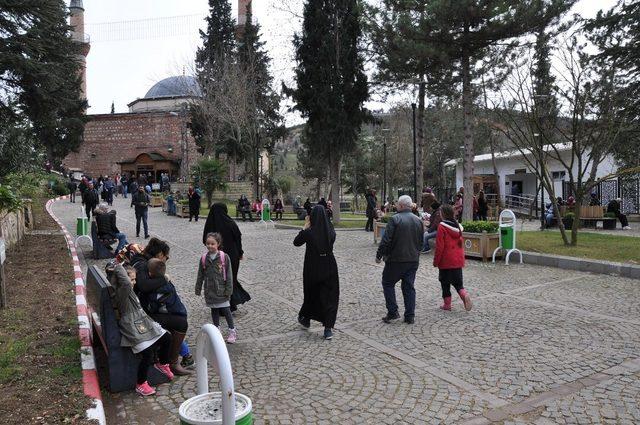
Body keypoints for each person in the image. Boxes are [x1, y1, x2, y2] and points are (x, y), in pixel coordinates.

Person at [106, 263, 173, 396]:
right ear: (122, 279)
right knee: (147, 353)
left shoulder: (128, 291)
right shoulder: (122, 292)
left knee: (167, 337)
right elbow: (125, 283)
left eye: (135, 279)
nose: (134, 282)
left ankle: (162, 363)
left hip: (141, 323)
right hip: (132, 327)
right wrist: (118, 267)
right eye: (131, 279)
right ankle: (141, 383)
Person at [131, 238, 191, 376]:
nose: (166, 259)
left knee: (176, 319)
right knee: (181, 323)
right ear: (159, 255)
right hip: (140, 315)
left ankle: (176, 357)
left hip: (140, 310)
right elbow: (144, 286)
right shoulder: (142, 264)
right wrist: (164, 279)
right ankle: (173, 363)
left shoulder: (140, 260)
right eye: (166, 256)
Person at [294, 205, 339, 340]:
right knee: (329, 296)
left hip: (313, 266)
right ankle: (328, 328)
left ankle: (306, 318)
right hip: (329, 264)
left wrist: (305, 226)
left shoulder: (309, 232)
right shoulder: (331, 231)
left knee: (311, 294)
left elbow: (296, 242)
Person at [376, 195, 423, 325]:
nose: (396, 205)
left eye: (397, 204)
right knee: (409, 286)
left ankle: (392, 312)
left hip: (396, 259)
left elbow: (386, 240)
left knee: (388, 283)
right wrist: (416, 254)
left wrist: (379, 255)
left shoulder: (395, 219)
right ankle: (410, 315)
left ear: (401, 206)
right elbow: (421, 242)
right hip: (412, 259)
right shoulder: (418, 220)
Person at [202, 203, 251, 311]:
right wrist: (240, 253)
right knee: (230, 279)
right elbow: (238, 238)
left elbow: (205, 240)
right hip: (232, 257)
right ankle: (230, 304)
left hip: (216, 258)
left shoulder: (210, 225)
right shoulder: (231, 223)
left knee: (219, 281)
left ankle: (222, 306)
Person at [196, 232, 236, 343]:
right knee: (214, 310)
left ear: (218, 244)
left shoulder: (224, 257)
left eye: (212, 244)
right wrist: (198, 288)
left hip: (222, 290)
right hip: (210, 290)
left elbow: (229, 275)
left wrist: (229, 290)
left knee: (226, 310)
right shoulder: (204, 258)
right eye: (208, 243)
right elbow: (200, 274)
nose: (210, 246)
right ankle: (216, 330)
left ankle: (232, 330)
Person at [433, 204, 472, 312]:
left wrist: (436, 261)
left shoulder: (442, 226)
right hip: (458, 260)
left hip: (446, 260)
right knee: (458, 283)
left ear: (443, 214)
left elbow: (440, 246)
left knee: (445, 282)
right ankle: (465, 295)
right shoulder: (458, 227)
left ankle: (447, 304)